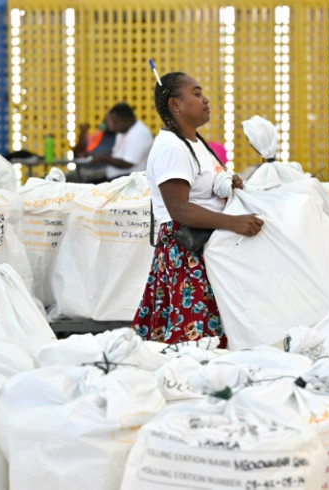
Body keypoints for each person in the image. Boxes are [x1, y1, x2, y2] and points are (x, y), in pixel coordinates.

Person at [132, 71, 264, 347]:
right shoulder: (172, 148)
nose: (205, 100)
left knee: (208, 339)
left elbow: (205, 186)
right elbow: (179, 209)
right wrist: (234, 222)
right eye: (196, 93)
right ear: (175, 105)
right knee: (194, 342)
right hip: (185, 252)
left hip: (203, 247)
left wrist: (227, 183)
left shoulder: (195, 143)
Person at [88, 102, 153, 180]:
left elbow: (128, 163)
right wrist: (93, 155)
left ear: (126, 120)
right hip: (116, 178)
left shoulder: (140, 133)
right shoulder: (122, 131)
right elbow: (115, 153)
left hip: (129, 181)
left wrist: (103, 158)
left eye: (115, 121)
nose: (111, 125)